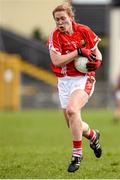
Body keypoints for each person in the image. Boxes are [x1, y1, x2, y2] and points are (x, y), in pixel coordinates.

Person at [48, 3, 102, 173]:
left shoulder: (84, 31)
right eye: (57, 20)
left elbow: (97, 53)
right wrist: (78, 52)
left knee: (72, 110)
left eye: (63, 18)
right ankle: (93, 136)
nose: (60, 22)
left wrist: (97, 62)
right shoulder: (55, 36)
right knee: (73, 123)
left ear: (71, 18)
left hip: (83, 79)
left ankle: (77, 155)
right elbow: (56, 61)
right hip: (64, 82)